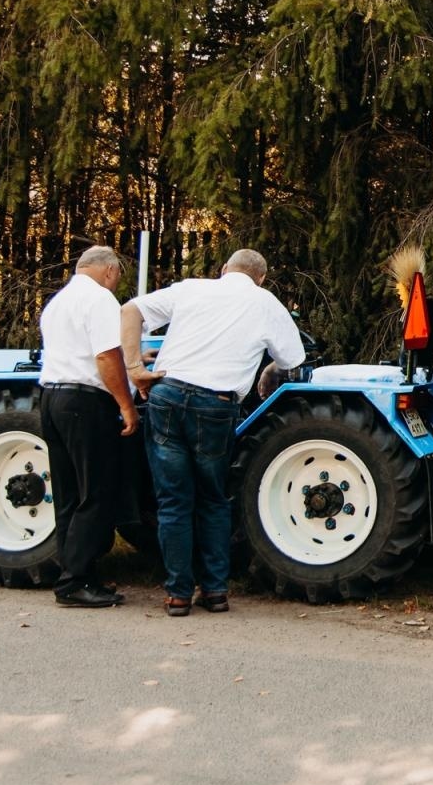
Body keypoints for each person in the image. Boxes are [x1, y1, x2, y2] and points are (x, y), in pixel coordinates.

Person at [121, 249, 306, 616]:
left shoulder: (192, 288)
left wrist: (134, 367)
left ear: (224, 270)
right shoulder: (265, 302)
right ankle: (216, 591)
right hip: (215, 405)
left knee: (173, 500)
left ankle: (177, 595)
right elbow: (293, 360)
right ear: (262, 278)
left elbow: (130, 311)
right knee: (213, 499)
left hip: (168, 396)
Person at [38, 245, 140, 608]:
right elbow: (104, 355)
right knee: (97, 492)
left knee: (68, 495)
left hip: (51, 398)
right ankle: (76, 581)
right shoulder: (100, 300)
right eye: (117, 277)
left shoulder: (57, 303)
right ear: (110, 271)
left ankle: (75, 576)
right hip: (85, 403)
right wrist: (126, 405)